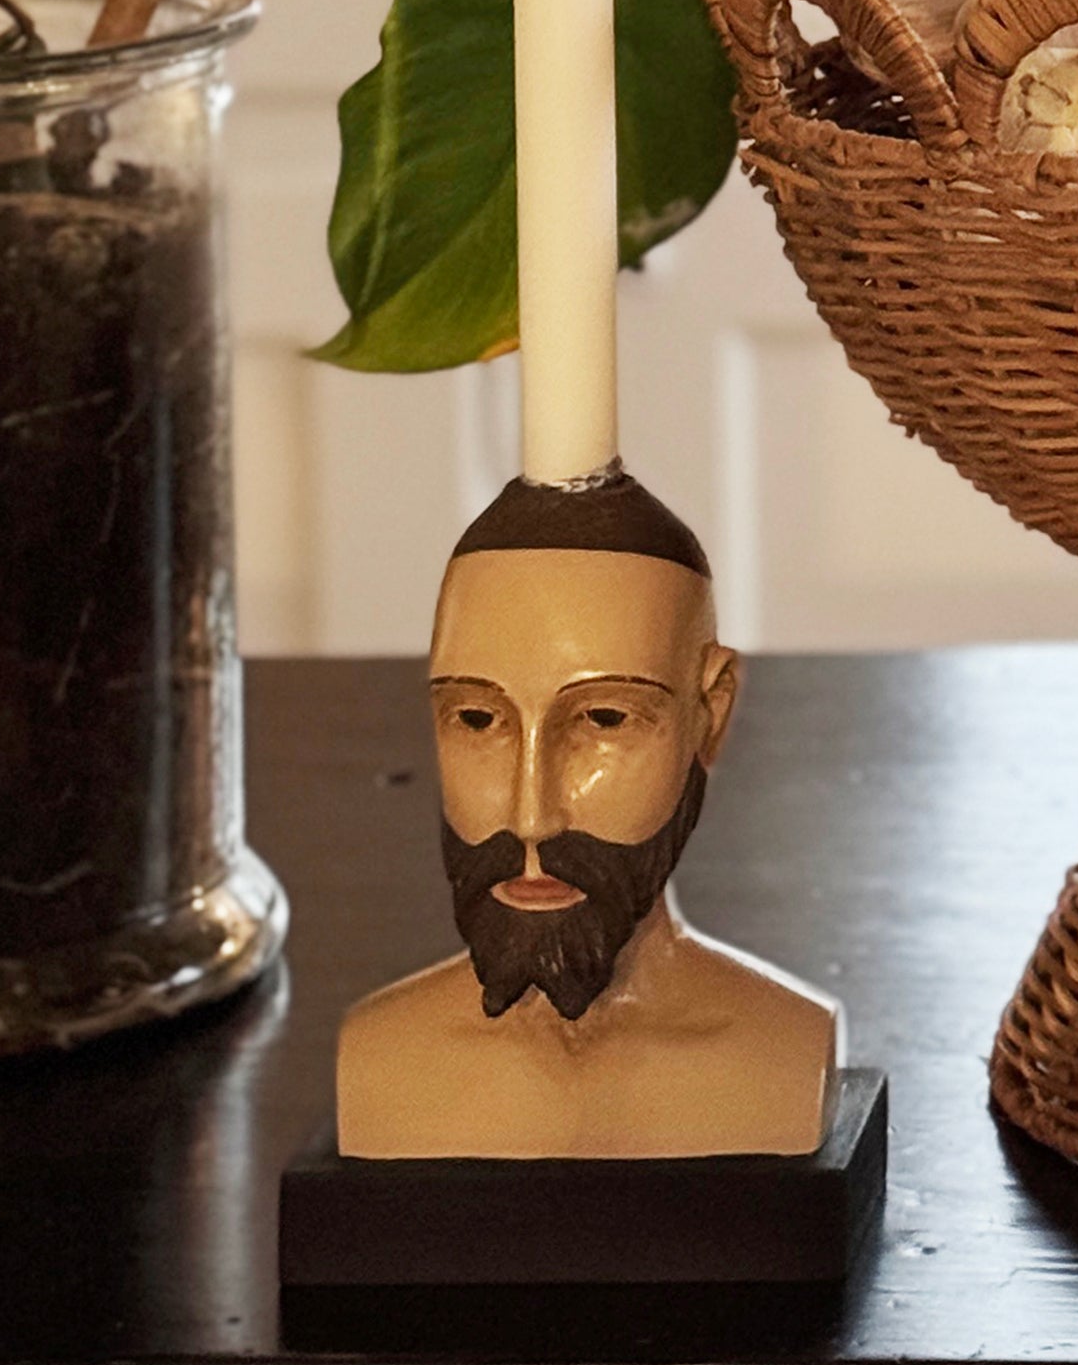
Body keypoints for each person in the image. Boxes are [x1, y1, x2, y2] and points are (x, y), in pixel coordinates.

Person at [335, 470, 837, 1161]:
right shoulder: (382, 1061)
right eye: (477, 719)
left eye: (604, 718)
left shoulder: (781, 1060)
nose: (532, 815)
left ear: (710, 712)